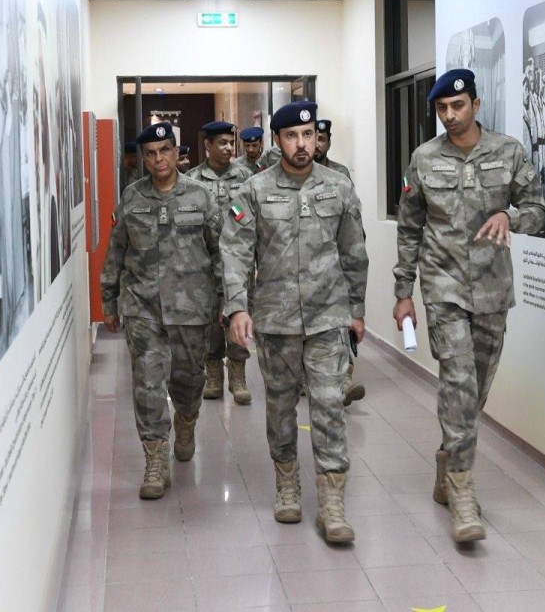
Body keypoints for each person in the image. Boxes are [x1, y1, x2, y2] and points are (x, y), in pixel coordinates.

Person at [392, 69, 545, 543]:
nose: (450, 115)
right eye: (442, 108)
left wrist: (509, 215)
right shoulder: (423, 159)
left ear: (476, 105)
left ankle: (448, 460)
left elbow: (539, 210)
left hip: (493, 290)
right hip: (443, 288)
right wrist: (403, 292)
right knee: (458, 383)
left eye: (457, 106)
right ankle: (463, 491)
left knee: (474, 391)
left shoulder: (508, 152)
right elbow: (409, 228)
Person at [222, 100, 368, 543]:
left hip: (328, 317)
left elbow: (354, 252)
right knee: (281, 407)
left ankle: (332, 502)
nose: (302, 144)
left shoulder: (338, 186)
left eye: (308, 135)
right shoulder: (254, 190)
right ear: (277, 140)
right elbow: (235, 252)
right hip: (276, 320)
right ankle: (287, 482)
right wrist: (237, 307)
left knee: (329, 406)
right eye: (292, 136)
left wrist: (357, 310)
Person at [100, 122, 222, 498]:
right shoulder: (132, 197)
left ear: (175, 150)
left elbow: (221, 251)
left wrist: (229, 301)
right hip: (143, 307)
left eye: (165, 150)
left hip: (191, 308)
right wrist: (109, 300)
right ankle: (155, 458)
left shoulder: (201, 196)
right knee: (147, 384)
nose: (158, 159)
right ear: (144, 158)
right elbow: (116, 251)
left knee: (189, 380)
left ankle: (186, 419)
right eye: (151, 154)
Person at [185, 121, 254, 404]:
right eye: (222, 143)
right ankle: (213, 374)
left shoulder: (246, 176)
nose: (228, 148)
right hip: (205, 266)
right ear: (208, 145)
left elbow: (252, 219)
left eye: (230, 143)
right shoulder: (192, 180)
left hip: (238, 263)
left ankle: (238, 377)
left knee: (238, 317)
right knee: (211, 325)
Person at [313, 119, 364, 405]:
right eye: (314, 138)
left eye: (322, 139)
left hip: (337, 263)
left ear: (329, 142)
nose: (317, 144)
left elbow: (353, 219)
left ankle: (344, 377)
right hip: (308, 268)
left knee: (342, 323)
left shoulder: (340, 175)